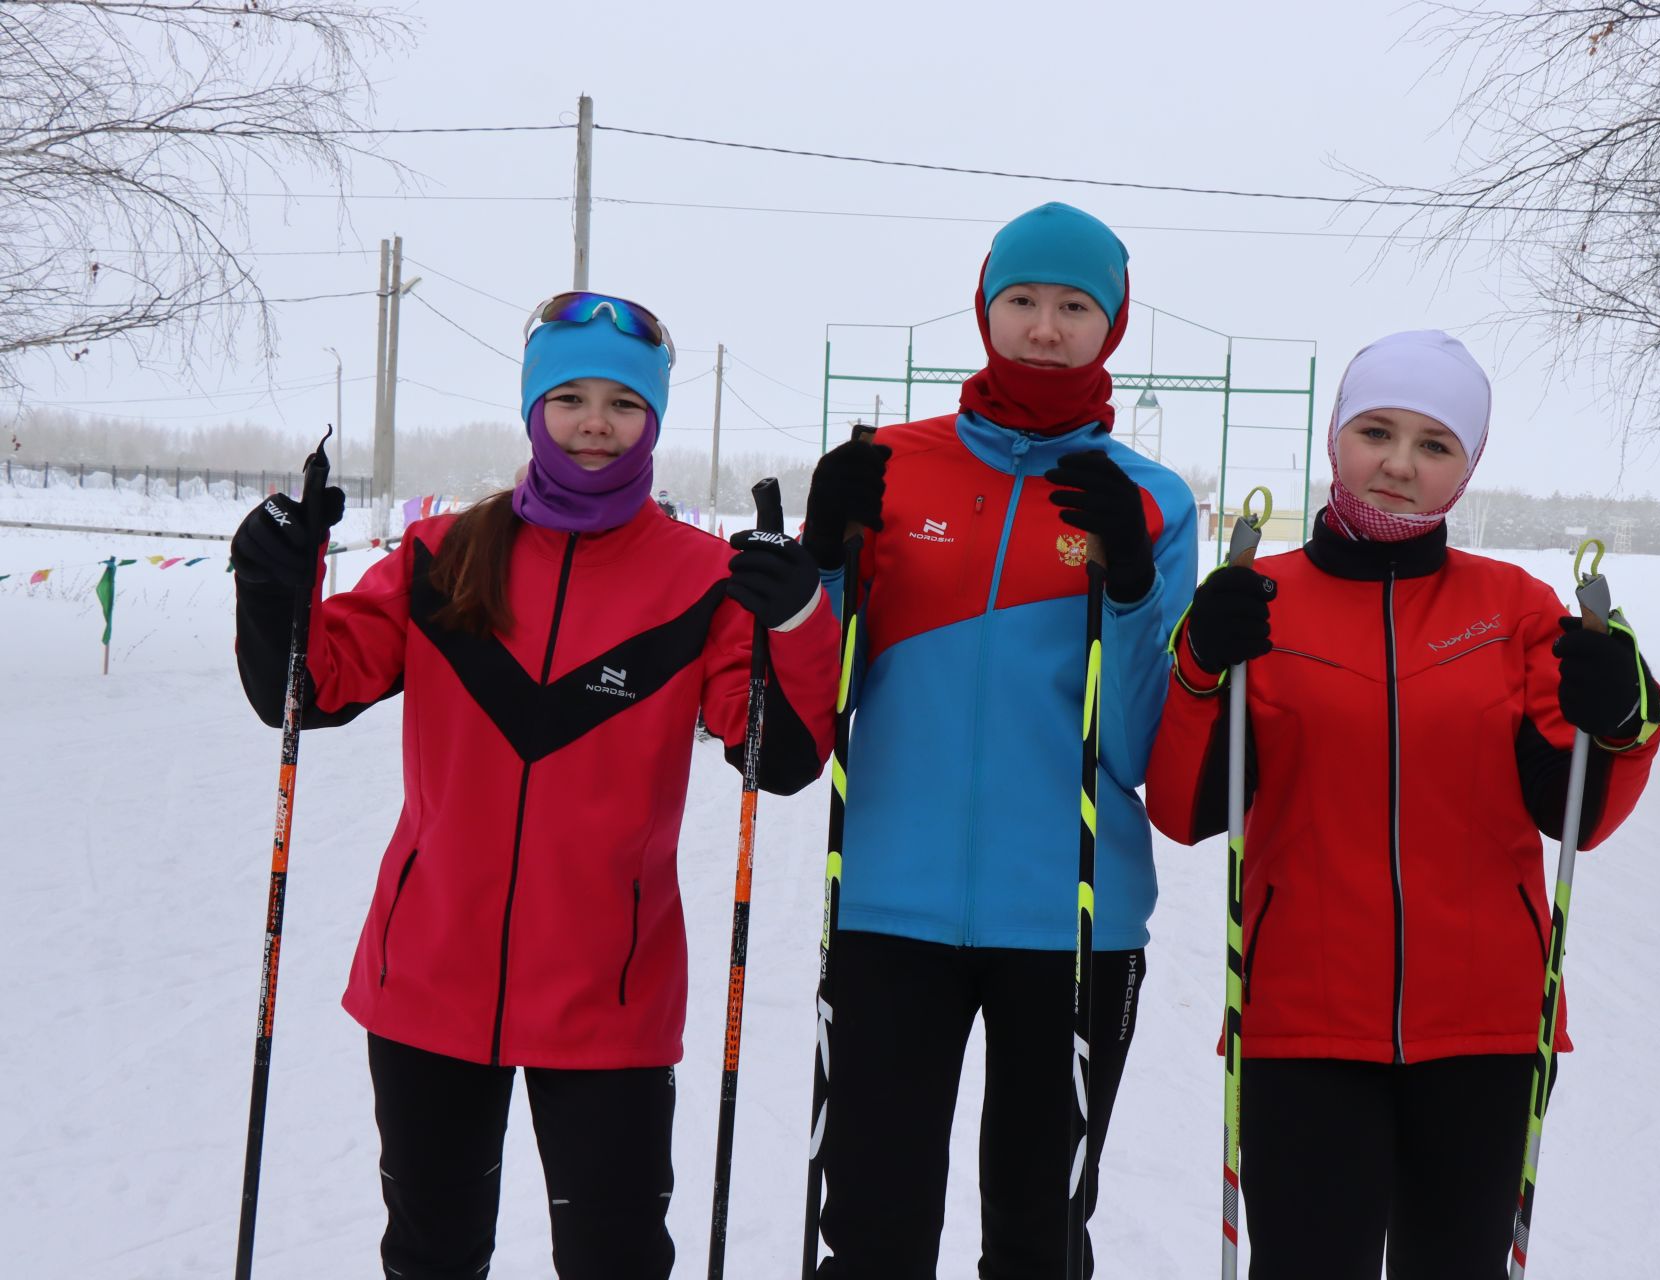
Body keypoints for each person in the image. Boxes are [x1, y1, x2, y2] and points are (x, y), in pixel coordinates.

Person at [229, 291, 840, 1279]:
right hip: (428, 981)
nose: (596, 423)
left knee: (615, 1258)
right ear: (531, 410)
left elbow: (780, 752)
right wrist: (271, 581)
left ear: (654, 420)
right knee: (431, 1255)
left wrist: (800, 616)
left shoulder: (702, 579)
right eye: (569, 397)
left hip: (611, 996)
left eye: (623, 403)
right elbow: (303, 686)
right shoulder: (444, 556)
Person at [1145, 329, 1660, 1279]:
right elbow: (1183, 810)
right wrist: (1199, 666)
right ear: (1335, 440)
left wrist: (1627, 718)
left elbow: (1576, 813)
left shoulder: (1514, 608)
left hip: (1486, 1028)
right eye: (1376, 432)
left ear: (1466, 469)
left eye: (1435, 445)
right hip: (1303, 1020)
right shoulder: (1260, 602)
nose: (1398, 464)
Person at [801, 202, 1199, 1278]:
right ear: (984, 305)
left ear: (1111, 325)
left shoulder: (1150, 501)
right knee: (873, 1233)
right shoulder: (887, 467)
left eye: (1075, 306)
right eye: (1021, 300)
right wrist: (821, 568)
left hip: (1073, 921)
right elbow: (810, 701)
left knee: (1036, 1234)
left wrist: (1124, 586)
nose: (1044, 327)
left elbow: (1136, 749)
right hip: (890, 907)